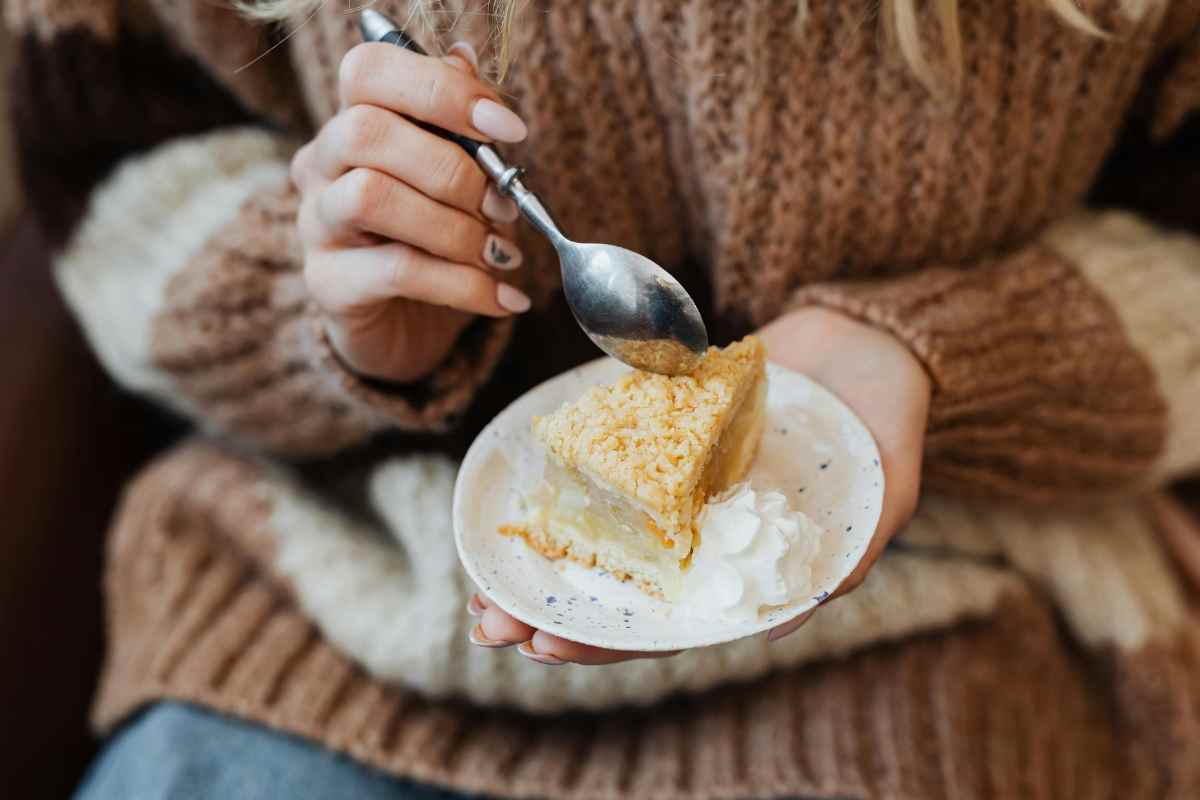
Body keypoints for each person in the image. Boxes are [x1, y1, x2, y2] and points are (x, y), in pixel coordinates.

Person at [8, 0, 1200, 796]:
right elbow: (113, 156)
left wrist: (945, 357)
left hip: (964, 598)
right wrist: (328, 302)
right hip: (341, 582)